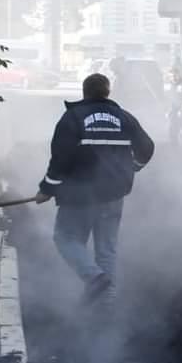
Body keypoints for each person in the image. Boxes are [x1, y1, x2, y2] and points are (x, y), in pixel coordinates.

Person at [35, 73, 155, 305]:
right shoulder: (124, 118)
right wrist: (133, 168)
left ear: (84, 92)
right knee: (106, 249)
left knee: (66, 238)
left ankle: (94, 278)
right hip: (114, 195)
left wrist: (47, 188)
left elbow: (60, 159)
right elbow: (147, 147)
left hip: (79, 196)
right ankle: (106, 302)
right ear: (107, 92)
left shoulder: (73, 118)